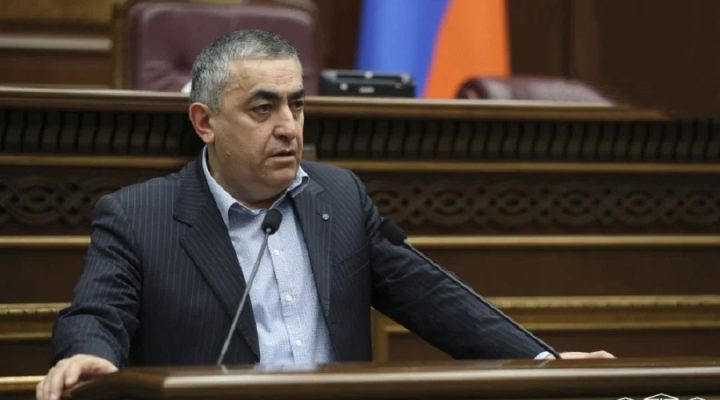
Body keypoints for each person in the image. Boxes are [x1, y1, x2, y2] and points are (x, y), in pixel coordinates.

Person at [36, 29, 612, 400]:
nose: (289, 127)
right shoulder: (140, 214)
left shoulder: (336, 196)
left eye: (297, 104)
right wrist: (89, 354)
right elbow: (96, 312)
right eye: (263, 108)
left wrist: (543, 362)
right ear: (205, 122)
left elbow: (432, 297)